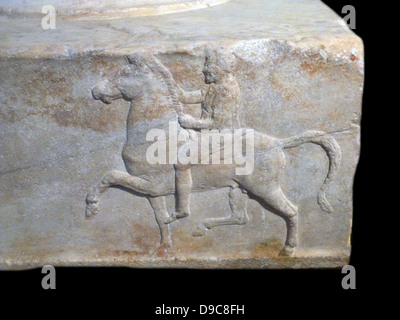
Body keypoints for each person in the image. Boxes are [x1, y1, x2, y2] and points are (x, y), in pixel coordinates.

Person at [165, 47, 241, 223]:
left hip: (219, 136)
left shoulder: (227, 90)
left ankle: (182, 209)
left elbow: (218, 123)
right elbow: (190, 97)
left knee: (182, 161)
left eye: (207, 66)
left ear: (218, 68)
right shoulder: (216, 85)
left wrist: (191, 123)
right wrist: (171, 85)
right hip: (206, 132)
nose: (204, 70)